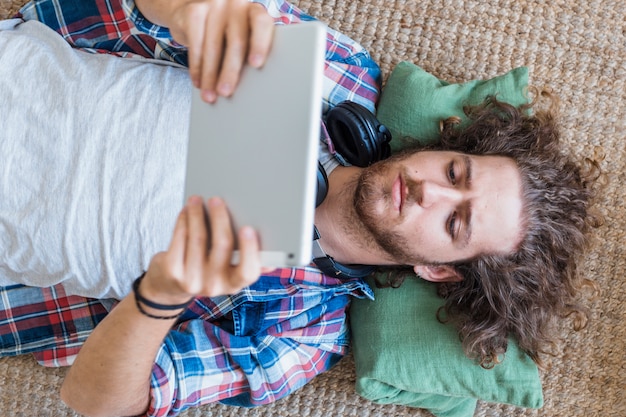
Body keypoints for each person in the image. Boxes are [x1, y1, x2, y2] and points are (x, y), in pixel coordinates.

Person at [0, 0, 598, 416]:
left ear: (439, 269)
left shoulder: (301, 336)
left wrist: (161, 297)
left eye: (454, 221)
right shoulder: (335, 75)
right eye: (454, 172)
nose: (429, 191)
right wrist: (190, 14)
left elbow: (96, 402)